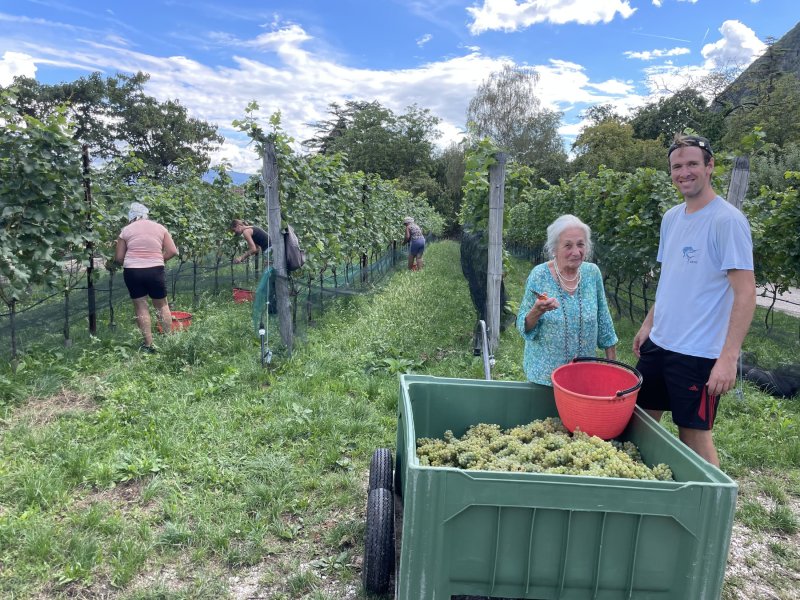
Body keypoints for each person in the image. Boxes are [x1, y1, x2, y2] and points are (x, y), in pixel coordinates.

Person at [632, 134, 756, 467]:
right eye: (677, 166)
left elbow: (745, 293)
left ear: (709, 166)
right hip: (660, 343)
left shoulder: (726, 221)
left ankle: (714, 510)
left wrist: (728, 358)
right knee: (639, 421)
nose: (684, 172)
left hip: (698, 352)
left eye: (692, 164)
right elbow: (672, 279)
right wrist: (648, 324)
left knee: (692, 433)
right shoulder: (672, 218)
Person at [516, 214, 618, 386]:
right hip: (545, 379)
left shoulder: (592, 273)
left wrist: (613, 372)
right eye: (568, 246)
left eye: (580, 245)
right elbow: (523, 326)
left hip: (583, 378)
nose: (576, 252)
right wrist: (536, 311)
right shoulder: (539, 275)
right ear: (554, 249)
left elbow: (604, 322)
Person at [115, 202, 179, 353]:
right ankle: (169, 339)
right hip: (155, 270)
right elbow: (172, 251)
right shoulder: (160, 228)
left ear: (131, 216)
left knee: (140, 305)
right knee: (162, 305)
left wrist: (134, 261)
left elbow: (118, 258)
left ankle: (148, 345)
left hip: (133, 271)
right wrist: (158, 259)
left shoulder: (125, 230)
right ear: (146, 214)